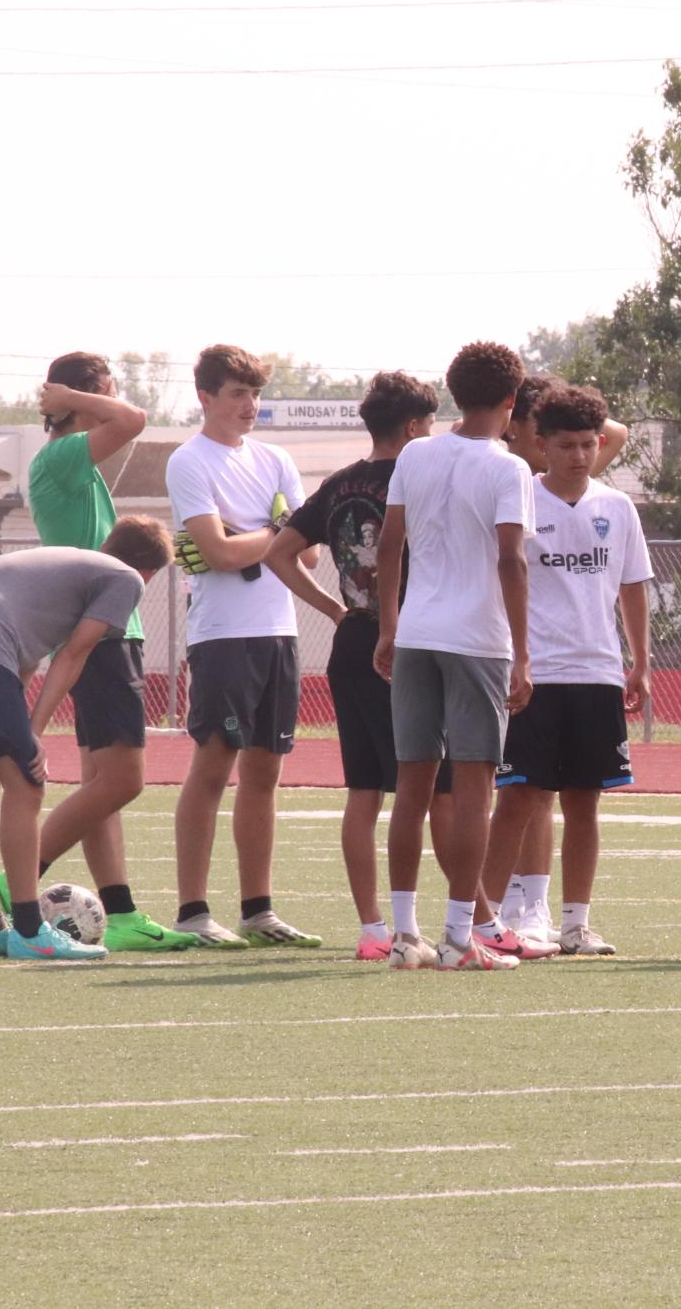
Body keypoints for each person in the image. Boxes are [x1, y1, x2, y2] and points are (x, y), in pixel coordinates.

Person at [0, 352, 197, 951]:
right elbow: (134, 418)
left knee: (100, 786)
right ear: (87, 396)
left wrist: (72, 400)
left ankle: (124, 913)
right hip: (105, 631)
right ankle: (20, 876)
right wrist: (69, 397)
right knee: (122, 782)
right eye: (106, 390)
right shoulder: (60, 456)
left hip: (105, 627)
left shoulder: (67, 462)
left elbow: (125, 419)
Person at [0, 518, 175, 960]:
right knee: (27, 783)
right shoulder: (125, 578)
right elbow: (74, 653)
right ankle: (31, 930)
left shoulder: (70, 567)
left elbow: (25, 655)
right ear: (149, 570)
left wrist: (23, 725)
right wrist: (32, 733)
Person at [264, 371, 455, 962]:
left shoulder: (341, 483)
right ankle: (457, 918)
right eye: (430, 424)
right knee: (436, 787)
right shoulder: (417, 476)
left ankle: (373, 926)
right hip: (410, 641)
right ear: (413, 427)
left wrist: (338, 611)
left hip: (354, 640)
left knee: (364, 789)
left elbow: (278, 553)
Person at [375, 341, 548, 971]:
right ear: (510, 401)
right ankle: (456, 938)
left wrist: (389, 626)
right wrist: (524, 655)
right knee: (474, 788)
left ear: (453, 390)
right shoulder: (509, 470)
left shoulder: (415, 453)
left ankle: (402, 934)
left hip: (417, 633)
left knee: (412, 785)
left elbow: (390, 546)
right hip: (477, 641)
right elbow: (511, 559)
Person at [476, 384, 651, 957]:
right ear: (541, 445)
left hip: (597, 673)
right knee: (519, 797)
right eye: (565, 444)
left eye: (587, 444)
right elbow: (502, 577)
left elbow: (631, 587)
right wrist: (512, 657)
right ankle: (489, 920)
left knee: (584, 801)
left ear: (599, 444)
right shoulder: (520, 499)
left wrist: (641, 662)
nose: (578, 455)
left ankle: (575, 923)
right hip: (536, 674)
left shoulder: (617, 507)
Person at [165, 344, 322, 948]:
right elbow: (222, 553)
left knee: (265, 773)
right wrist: (274, 534)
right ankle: (193, 911)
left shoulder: (277, 458)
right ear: (206, 397)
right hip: (222, 637)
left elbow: (306, 553)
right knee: (212, 768)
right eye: (237, 393)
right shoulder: (189, 461)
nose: (250, 405)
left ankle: (258, 910)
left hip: (277, 632)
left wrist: (258, 536)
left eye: (255, 394)